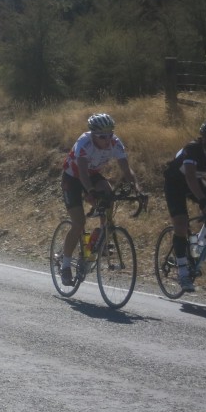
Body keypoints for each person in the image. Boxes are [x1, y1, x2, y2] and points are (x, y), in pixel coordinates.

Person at [58, 113, 141, 286]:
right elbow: (81, 172)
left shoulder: (115, 143)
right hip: (72, 178)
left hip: (92, 175)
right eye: (102, 136)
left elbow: (127, 170)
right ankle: (65, 265)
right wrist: (90, 191)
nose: (107, 139)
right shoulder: (84, 143)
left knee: (109, 195)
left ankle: (101, 238)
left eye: (110, 134)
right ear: (93, 134)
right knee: (79, 223)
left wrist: (138, 189)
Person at [162, 120, 206, 293]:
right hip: (176, 184)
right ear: (203, 139)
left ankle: (197, 248)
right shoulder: (193, 149)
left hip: (197, 181)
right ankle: (182, 273)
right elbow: (189, 176)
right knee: (181, 225)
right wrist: (202, 201)